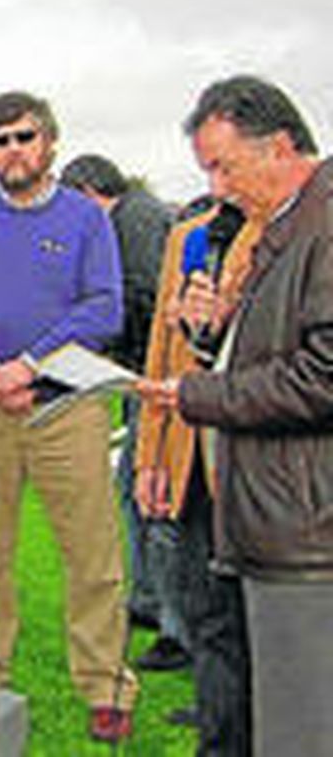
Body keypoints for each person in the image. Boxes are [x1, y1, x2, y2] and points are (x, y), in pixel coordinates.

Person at [136, 76, 333, 757]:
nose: (217, 188)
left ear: (279, 146)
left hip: (306, 527)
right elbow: (278, 350)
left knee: (303, 720)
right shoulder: (283, 225)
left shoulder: (323, 223)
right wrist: (212, 336)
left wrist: (195, 395)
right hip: (269, 513)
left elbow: (322, 376)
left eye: (224, 166)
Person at [0, 90, 138, 744]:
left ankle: (105, 682)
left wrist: (28, 364)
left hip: (65, 410)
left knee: (92, 555)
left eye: (24, 137)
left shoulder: (85, 220)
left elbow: (103, 307)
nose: (13, 150)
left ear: (49, 142)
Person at [135, 197, 257, 753]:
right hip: (195, 456)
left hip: (266, 464)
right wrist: (152, 457)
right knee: (209, 615)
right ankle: (220, 730)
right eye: (208, 167)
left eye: (225, 164)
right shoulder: (191, 238)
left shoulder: (299, 232)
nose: (218, 181)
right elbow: (164, 354)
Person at [60, 153, 180, 669]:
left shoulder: (135, 223)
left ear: (88, 193)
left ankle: (178, 625)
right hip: (146, 376)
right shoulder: (136, 218)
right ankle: (152, 602)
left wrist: (101, 350)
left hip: (158, 381)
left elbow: (144, 301)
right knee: (137, 488)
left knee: (157, 494)